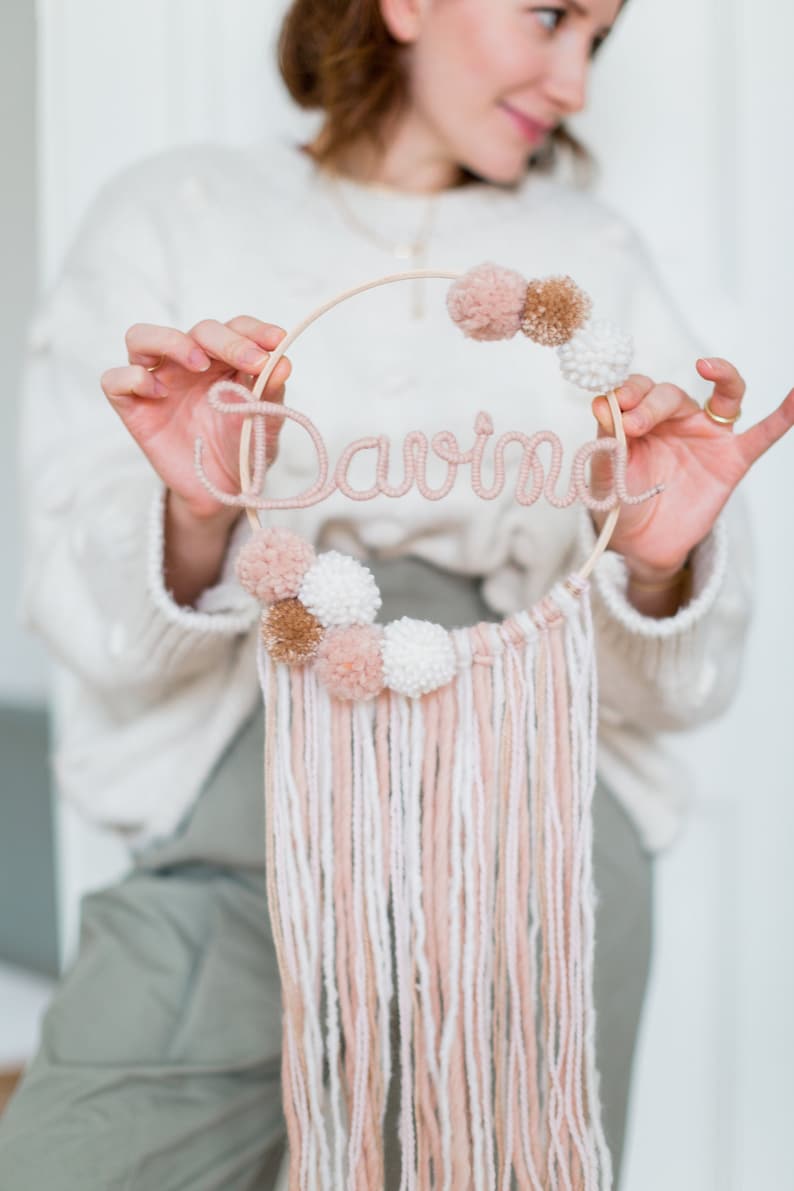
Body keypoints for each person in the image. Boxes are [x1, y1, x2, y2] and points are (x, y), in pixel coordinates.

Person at [2, 0, 792, 1187]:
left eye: (597, 40)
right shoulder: (176, 211)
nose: (571, 81)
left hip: (539, 844)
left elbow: (684, 687)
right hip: (250, 808)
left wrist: (654, 558)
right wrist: (200, 512)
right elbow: (92, 628)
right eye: (548, 16)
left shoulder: (594, 258)